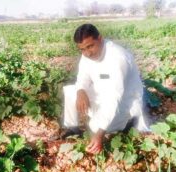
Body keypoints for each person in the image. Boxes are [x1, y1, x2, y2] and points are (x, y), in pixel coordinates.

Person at [62, 24, 150, 154]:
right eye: (82, 49)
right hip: (102, 94)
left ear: (100, 39)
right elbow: (83, 77)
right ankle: (73, 129)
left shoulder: (118, 58)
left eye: (90, 46)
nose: (87, 53)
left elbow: (114, 97)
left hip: (125, 102)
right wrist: (81, 91)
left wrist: (100, 134)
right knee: (71, 91)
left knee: (96, 127)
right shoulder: (87, 54)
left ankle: (130, 123)